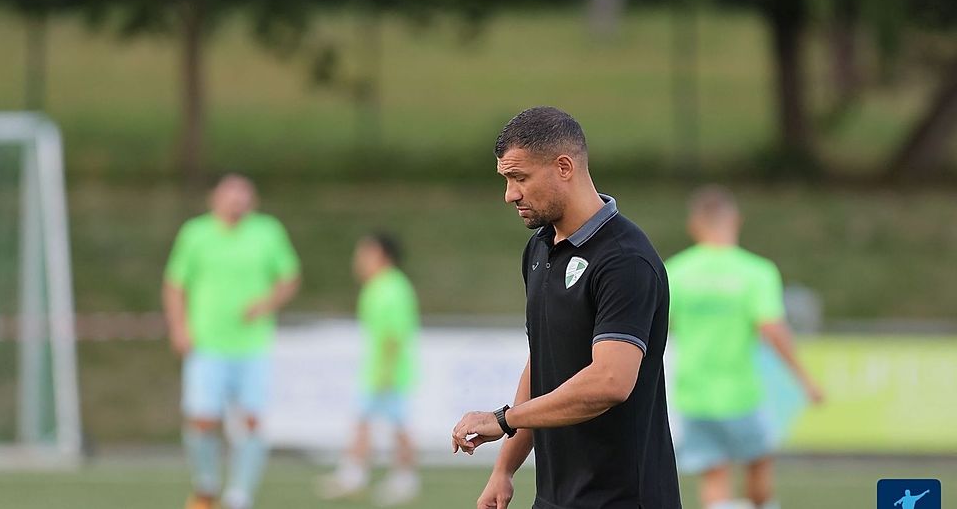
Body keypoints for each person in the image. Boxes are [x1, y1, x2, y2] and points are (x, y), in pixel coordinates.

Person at [451, 106, 681, 509]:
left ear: (563, 166)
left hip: (625, 499)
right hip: (556, 498)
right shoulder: (539, 248)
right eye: (506, 180)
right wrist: (504, 467)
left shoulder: (625, 260)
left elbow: (610, 382)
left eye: (519, 178)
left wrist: (504, 419)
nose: (510, 194)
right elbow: (543, 360)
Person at [666, 185, 824, 509]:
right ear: (736, 220)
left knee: (713, 475)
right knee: (760, 463)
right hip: (741, 393)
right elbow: (772, 328)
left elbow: (652, 324)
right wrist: (804, 379)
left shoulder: (676, 271)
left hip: (693, 392)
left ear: (694, 225)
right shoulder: (756, 272)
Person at [163, 174, 301, 509]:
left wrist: (266, 303)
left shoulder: (267, 231)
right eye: (231, 195)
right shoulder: (195, 233)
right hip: (207, 344)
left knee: (252, 420)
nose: (237, 201)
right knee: (203, 419)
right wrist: (179, 327)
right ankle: (206, 485)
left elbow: (289, 278)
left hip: (252, 346)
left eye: (243, 195)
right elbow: (175, 284)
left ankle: (241, 494)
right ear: (215, 198)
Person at [321, 232, 421, 506]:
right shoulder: (377, 287)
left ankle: (404, 478)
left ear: (382, 255)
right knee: (365, 420)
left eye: (365, 252)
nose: (359, 259)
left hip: (389, 372)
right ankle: (354, 473)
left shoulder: (392, 288)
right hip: (377, 369)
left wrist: (386, 372)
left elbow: (394, 336)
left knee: (397, 425)